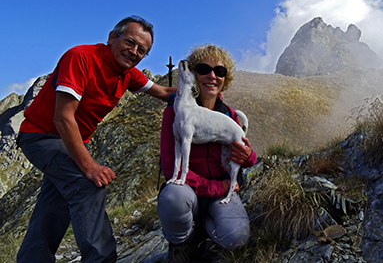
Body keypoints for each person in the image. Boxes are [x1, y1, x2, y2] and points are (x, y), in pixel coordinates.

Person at [16, 16, 177, 263]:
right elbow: (63, 118)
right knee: (88, 185)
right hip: (41, 136)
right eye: (130, 42)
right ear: (112, 37)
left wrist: (204, 84)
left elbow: (165, 93)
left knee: (53, 207)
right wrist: (89, 166)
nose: (134, 52)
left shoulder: (128, 74)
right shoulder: (81, 57)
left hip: (69, 142)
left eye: (142, 50)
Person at [157, 44, 257, 262]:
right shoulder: (173, 114)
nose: (212, 76)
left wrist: (247, 156)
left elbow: (250, 157)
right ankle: (180, 244)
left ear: (225, 79)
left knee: (236, 238)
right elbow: (169, 166)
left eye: (219, 71)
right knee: (174, 195)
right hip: (192, 191)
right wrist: (213, 187)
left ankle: (204, 234)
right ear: (193, 75)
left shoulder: (230, 116)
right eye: (204, 69)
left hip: (219, 193)